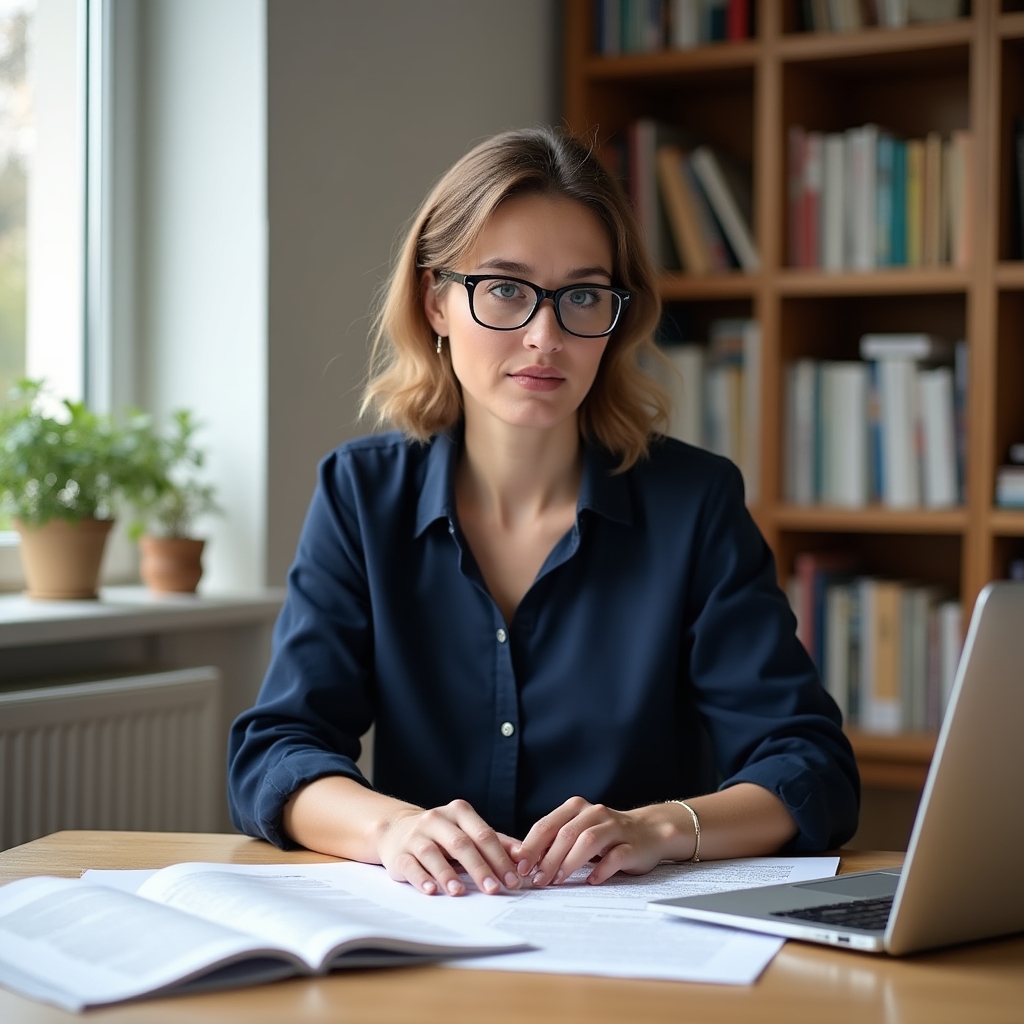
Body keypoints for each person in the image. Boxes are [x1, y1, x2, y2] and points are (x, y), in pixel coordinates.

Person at [228, 126, 859, 898]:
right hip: (428, 941)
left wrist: (656, 828)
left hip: (636, 951)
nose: (545, 337)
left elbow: (808, 766)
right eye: (503, 288)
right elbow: (277, 754)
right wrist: (392, 830)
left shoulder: (694, 503)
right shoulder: (362, 497)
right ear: (436, 301)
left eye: (583, 296)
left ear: (616, 318)